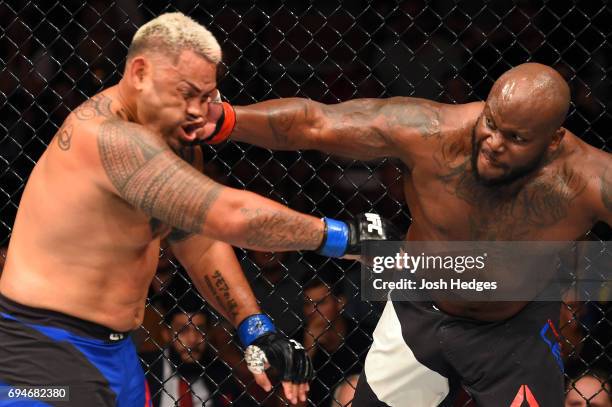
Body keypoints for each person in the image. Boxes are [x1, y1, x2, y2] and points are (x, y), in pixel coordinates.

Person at [0, 12, 397, 407]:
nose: (198, 110)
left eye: (207, 96)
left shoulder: (175, 139)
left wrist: (252, 325)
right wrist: (346, 237)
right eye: (187, 93)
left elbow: (199, 239)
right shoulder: (107, 138)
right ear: (140, 72)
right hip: (43, 351)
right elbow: (229, 215)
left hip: (116, 352)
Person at [213, 62, 612, 405]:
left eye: (516, 139)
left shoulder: (589, 182)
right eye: (491, 123)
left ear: (554, 139)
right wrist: (226, 120)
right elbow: (315, 123)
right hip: (418, 308)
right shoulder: (433, 133)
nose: (493, 143)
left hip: (513, 328)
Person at [140, 304, 248, 407]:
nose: (192, 339)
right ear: (167, 334)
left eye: (200, 330)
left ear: (209, 334)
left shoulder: (220, 373)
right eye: (182, 330)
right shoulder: (143, 368)